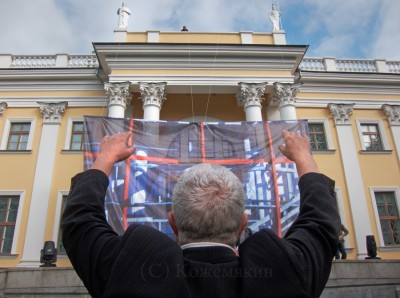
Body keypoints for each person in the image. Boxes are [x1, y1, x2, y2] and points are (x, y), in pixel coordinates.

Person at [61, 130, 340, 298]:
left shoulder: (128, 271)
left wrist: (105, 157)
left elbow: (80, 221)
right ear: (243, 224)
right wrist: (304, 157)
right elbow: (321, 223)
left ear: (172, 223)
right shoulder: (286, 273)